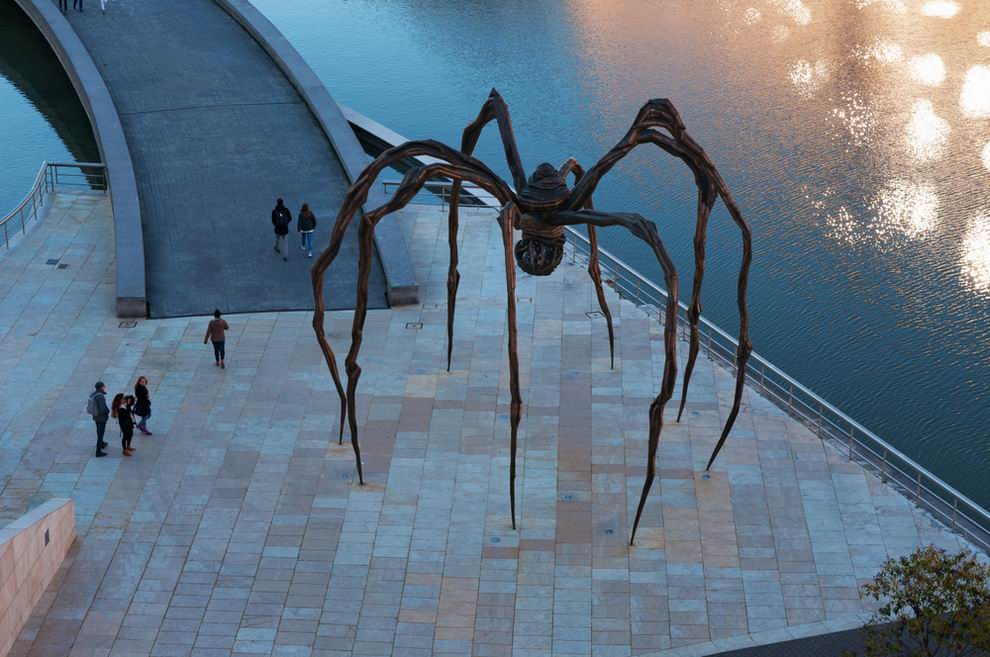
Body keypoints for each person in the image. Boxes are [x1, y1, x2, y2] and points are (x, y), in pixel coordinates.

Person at [87, 382, 109, 457]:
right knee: (100, 433)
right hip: (101, 418)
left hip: (96, 416)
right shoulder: (100, 397)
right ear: (101, 387)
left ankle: (102, 443)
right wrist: (107, 411)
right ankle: (98, 451)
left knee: (98, 430)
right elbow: (103, 409)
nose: (104, 388)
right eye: (103, 386)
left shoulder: (94, 393)